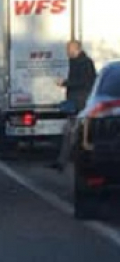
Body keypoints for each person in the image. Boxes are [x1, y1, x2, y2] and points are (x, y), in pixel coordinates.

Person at [50, 40, 97, 171]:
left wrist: (65, 83)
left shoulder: (85, 63)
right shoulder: (76, 62)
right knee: (71, 133)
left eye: (68, 49)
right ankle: (63, 161)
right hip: (76, 102)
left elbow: (84, 82)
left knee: (72, 132)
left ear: (75, 49)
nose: (66, 52)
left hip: (81, 103)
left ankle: (66, 162)